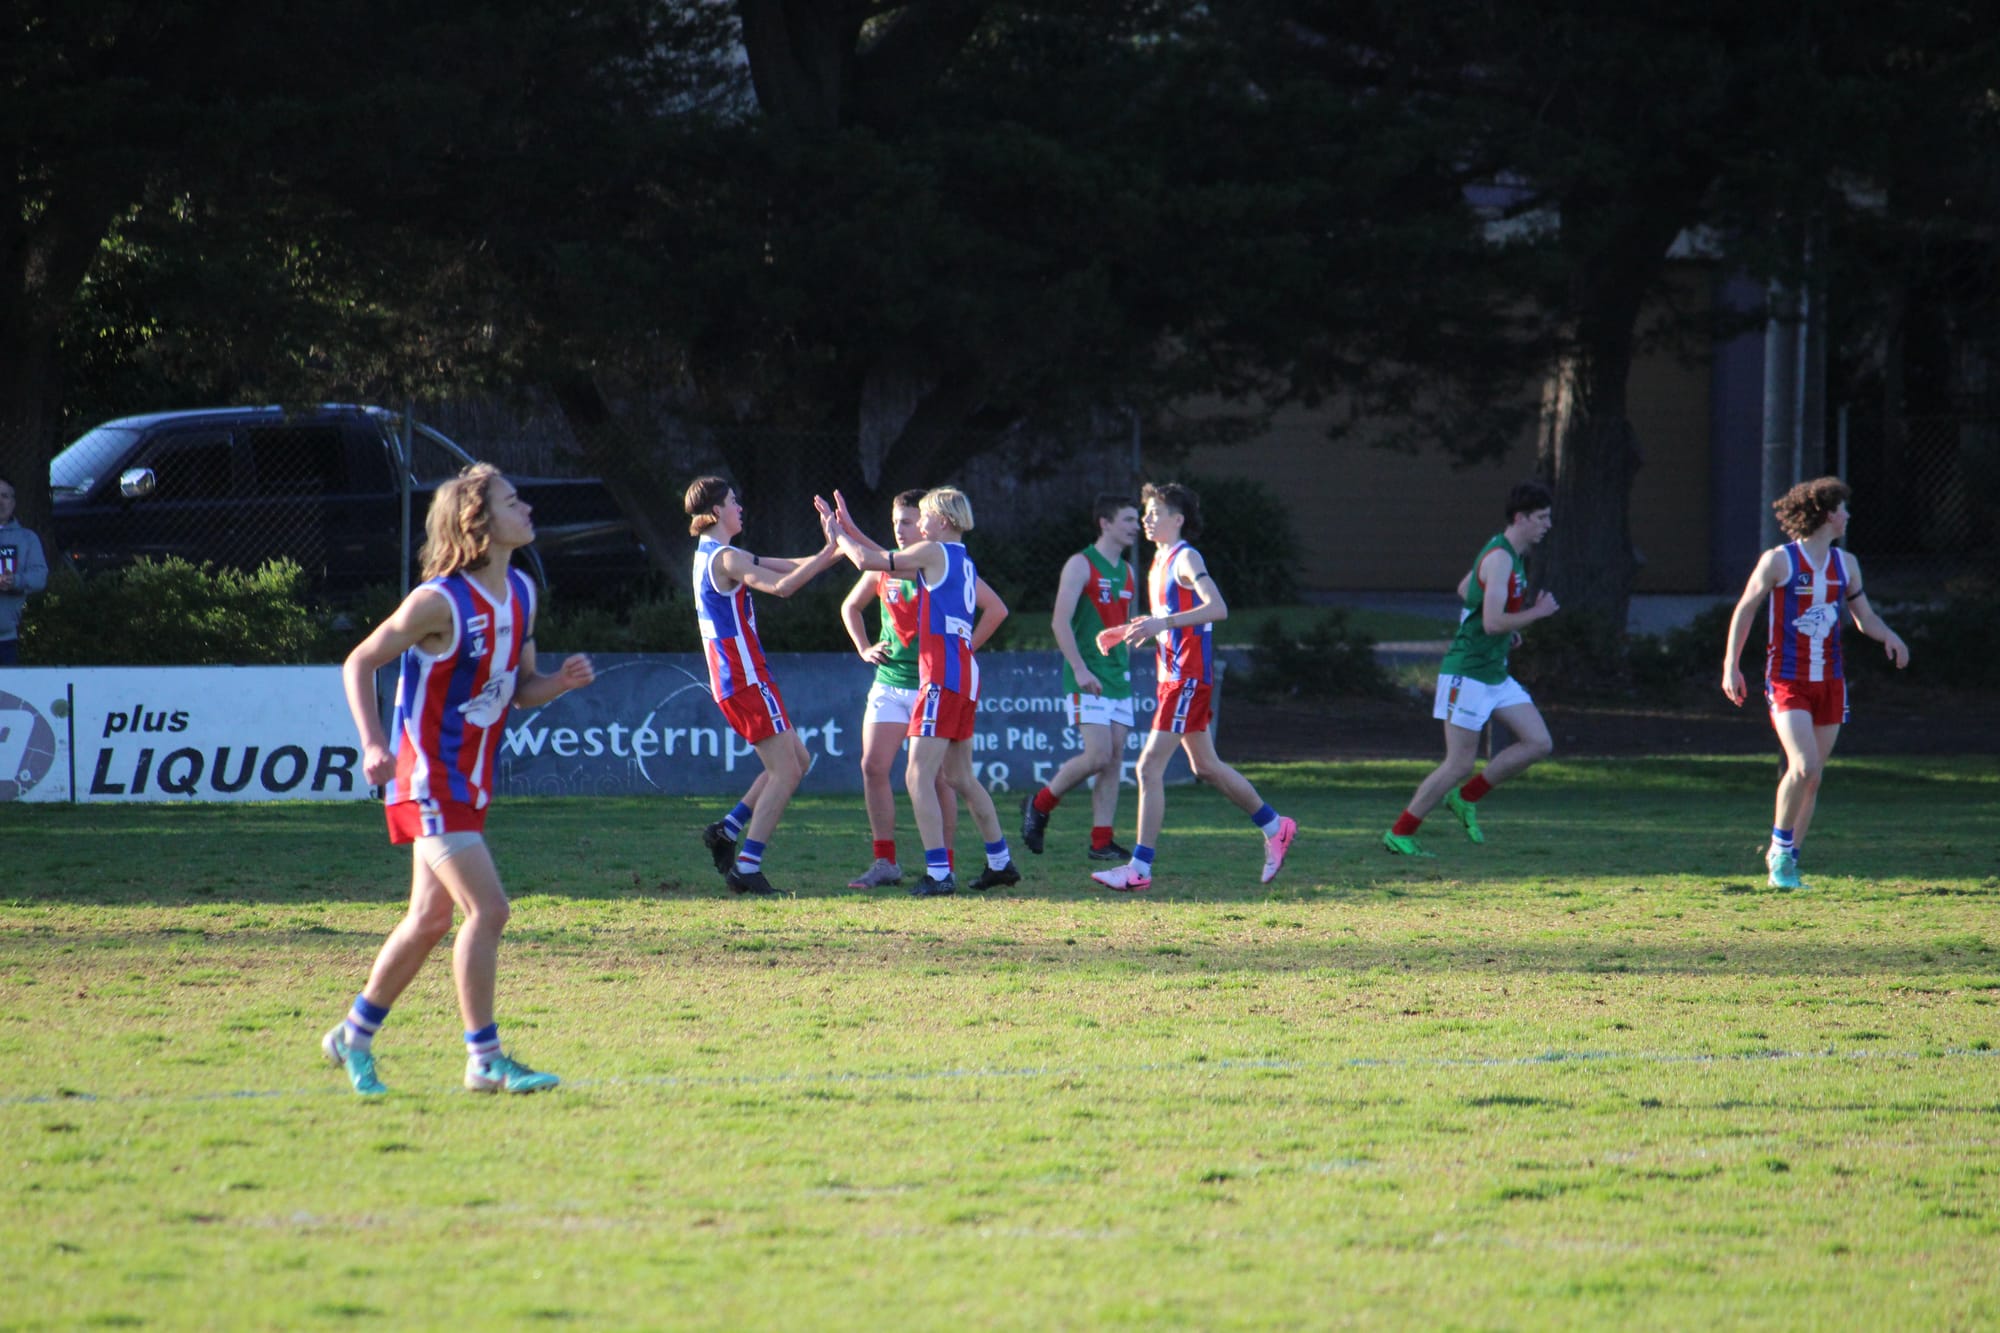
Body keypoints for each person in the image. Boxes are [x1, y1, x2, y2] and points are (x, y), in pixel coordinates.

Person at [324, 463, 596, 1096]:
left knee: (428, 920)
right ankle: (484, 1058)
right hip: (426, 778)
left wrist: (559, 683)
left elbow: (520, 690)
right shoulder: (438, 601)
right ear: (478, 521)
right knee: (489, 910)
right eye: (513, 501)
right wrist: (373, 743)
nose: (527, 509)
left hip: (469, 783)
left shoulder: (522, 591)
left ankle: (352, 1036)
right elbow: (359, 661)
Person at [1091, 482, 1296, 892]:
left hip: (1187, 677)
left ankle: (1139, 869)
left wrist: (1161, 623)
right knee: (1205, 766)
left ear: (1178, 519)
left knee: (1148, 767)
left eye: (1155, 513)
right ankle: (1276, 826)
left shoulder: (1186, 557)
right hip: (1174, 677)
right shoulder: (1158, 561)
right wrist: (1128, 629)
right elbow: (1170, 618)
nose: (1146, 520)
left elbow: (1217, 608)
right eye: (1145, 513)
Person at [826, 486, 1019, 896]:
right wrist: (851, 529)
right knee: (960, 776)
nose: (920, 523)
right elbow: (886, 560)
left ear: (942, 521)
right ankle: (1000, 862)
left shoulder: (934, 552)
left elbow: (869, 561)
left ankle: (939, 873)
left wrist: (837, 534)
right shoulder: (961, 558)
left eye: (925, 516)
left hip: (940, 676)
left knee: (918, 775)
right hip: (965, 676)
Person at [1722, 476, 1909, 890]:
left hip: (1831, 682)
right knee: (1803, 766)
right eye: (1842, 509)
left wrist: (1890, 636)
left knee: (1814, 776)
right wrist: (1730, 665)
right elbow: (1746, 609)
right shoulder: (1779, 561)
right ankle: (1779, 851)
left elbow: (1864, 617)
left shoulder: (1847, 565)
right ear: (1826, 514)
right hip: (1787, 680)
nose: (1848, 515)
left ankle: (1789, 862)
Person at [686, 476, 845, 895]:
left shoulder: (716, 554)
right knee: (786, 770)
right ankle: (748, 866)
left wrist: (834, 549)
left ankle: (727, 829)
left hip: (740, 678)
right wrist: (833, 549)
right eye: (733, 502)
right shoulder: (726, 559)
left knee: (798, 761)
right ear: (716, 511)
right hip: (744, 677)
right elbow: (782, 586)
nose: (740, 507)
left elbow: (789, 566)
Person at [1382, 481, 1559, 857]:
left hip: (1494, 672)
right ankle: (1400, 833)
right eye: (1542, 518)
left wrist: (1507, 629)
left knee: (1538, 742)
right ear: (1521, 518)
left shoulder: (1509, 554)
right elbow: (1492, 623)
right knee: (1459, 762)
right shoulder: (1501, 558)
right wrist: (1535, 614)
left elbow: (1467, 588)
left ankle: (1465, 798)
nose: (1548, 525)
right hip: (1469, 674)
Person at [1021, 494, 1140, 863]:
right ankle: (1039, 805)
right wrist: (1079, 668)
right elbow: (1059, 622)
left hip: (1117, 677)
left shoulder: (1129, 571)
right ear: (1105, 523)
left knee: (1114, 758)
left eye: (1136, 520)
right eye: (1128, 520)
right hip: (1086, 674)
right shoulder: (1080, 564)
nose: (1136, 527)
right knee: (1098, 754)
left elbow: (1118, 625)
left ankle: (1101, 841)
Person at [0, 476, 50, 666]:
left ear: (13, 503)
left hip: (6, 639)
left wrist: (15, 581)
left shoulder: (27, 539)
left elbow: (39, 577)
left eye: (5, 496)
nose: (0, 501)